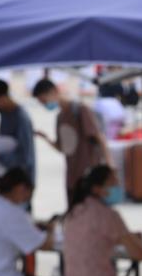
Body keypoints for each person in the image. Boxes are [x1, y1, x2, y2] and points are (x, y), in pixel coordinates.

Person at [32, 78, 112, 206]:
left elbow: (99, 138)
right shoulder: (60, 117)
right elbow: (62, 148)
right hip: (72, 178)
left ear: (54, 92)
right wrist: (45, 138)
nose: (45, 105)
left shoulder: (80, 110)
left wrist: (109, 166)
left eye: (44, 100)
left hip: (88, 176)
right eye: (42, 103)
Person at [0, 78, 36, 184]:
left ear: (1, 97)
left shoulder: (21, 118)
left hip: (21, 183)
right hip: (8, 177)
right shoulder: (5, 114)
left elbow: (25, 158)